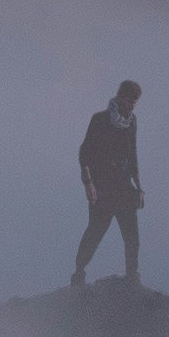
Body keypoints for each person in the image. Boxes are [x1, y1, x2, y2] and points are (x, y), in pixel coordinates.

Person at [67, 80, 146, 288]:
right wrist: (89, 184)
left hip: (124, 187)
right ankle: (78, 274)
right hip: (102, 188)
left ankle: (132, 277)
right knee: (95, 233)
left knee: (132, 237)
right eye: (129, 101)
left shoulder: (132, 122)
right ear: (120, 98)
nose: (132, 106)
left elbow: (133, 155)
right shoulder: (100, 120)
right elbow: (84, 154)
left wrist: (139, 188)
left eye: (135, 102)